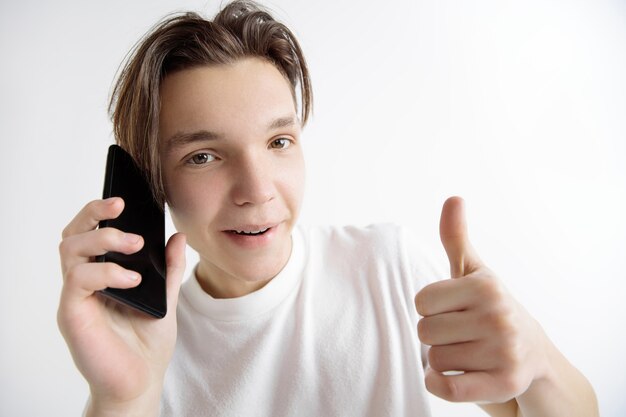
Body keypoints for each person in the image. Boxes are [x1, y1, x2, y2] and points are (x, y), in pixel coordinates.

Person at [57, 1, 599, 416]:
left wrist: (540, 361)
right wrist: (124, 397)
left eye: (278, 142)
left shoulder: (385, 266)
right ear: (154, 185)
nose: (257, 189)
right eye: (203, 156)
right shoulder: (148, 341)